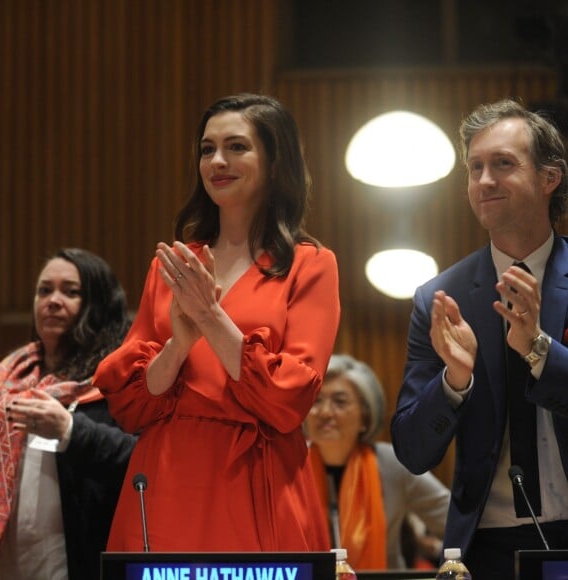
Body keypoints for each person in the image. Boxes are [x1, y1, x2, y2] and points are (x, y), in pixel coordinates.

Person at [92, 93, 341, 552]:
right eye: (207, 149)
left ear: (275, 160)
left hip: (254, 476)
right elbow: (130, 405)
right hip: (164, 472)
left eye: (237, 147)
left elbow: (290, 398)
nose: (217, 161)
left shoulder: (312, 264)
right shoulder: (173, 265)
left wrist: (209, 317)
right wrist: (179, 345)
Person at [391, 98, 568, 579]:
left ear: (550, 178)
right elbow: (412, 450)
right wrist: (454, 380)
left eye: (503, 164)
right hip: (484, 548)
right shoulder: (439, 299)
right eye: (475, 168)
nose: (484, 181)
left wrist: (538, 349)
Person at [0, 248, 136, 580]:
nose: (53, 301)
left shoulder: (120, 382)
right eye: (44, 290)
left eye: (70, 291)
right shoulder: (5, 381)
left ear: (99, 304)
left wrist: (69, 429)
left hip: (76, 565)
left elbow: (143, 462)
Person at [306, 354, 449, 570]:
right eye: (316, 401)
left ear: (365, 415)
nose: (325, 412)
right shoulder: (288, 468)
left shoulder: (392, 464)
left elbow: (454, 521)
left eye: (339, 402)